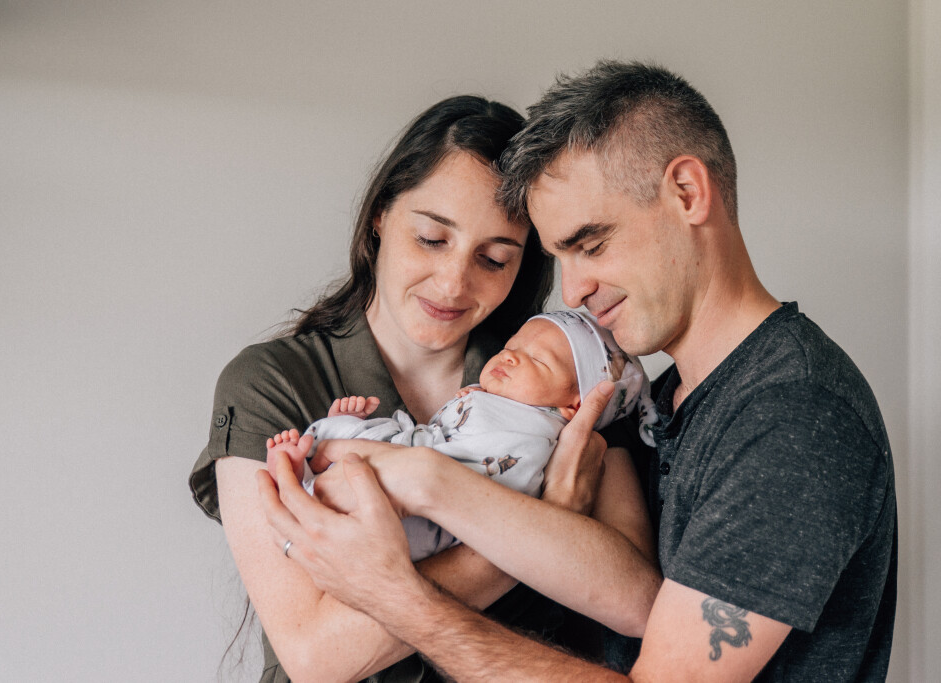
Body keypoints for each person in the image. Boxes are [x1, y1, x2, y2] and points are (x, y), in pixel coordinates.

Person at [258, 60, 898, 682]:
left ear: (687, 192)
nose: (573, 291)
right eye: (560, 257)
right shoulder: (661, 402)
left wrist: (399, 593)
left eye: (591, 244)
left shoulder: (792, 417)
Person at [189, 95, 661, 682]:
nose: (454, 282)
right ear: (381, 216)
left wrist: (431, 495)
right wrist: (546, 522)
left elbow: (637, 602)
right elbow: (316, 656)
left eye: (494, 259)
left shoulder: (566, 376)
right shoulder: (272, 383)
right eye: (433, 239)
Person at [266, 310, 657, 562]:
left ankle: (311, 479)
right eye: (512, 346)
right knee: (361, 440)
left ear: (574, 406)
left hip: (432, 511)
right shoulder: (499, 401)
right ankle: (309, 468)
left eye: (538, 360)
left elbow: (495, 483)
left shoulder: (534, 435)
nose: (510, 356)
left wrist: (388, 451)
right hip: (419, 459)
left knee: (364, 513)